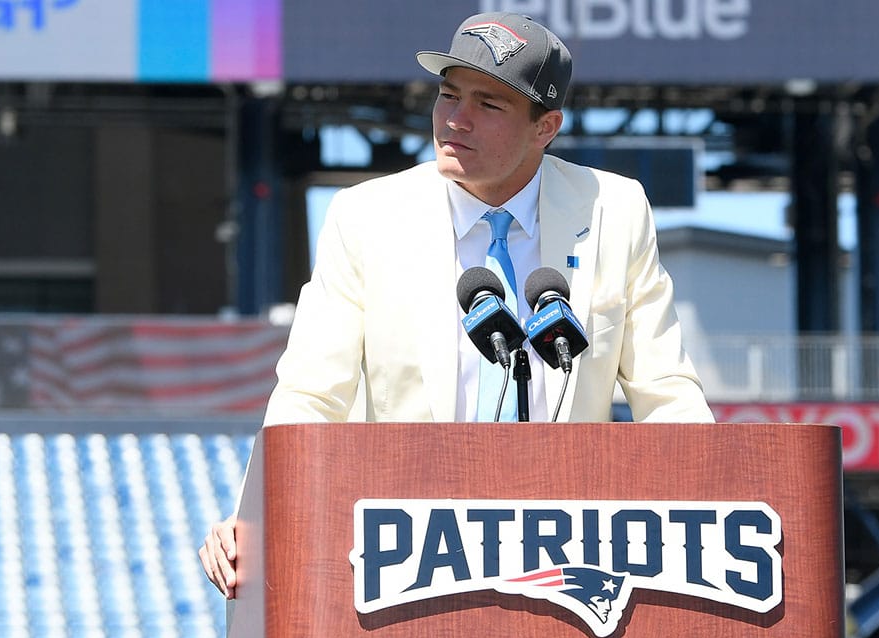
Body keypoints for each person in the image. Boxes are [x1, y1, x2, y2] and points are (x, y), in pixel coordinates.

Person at [200, 11, 714, 599]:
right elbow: (310, 395)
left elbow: (668, 391)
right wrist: (258, 519)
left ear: (545, 127)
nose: (455, 119)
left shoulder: (616, 210)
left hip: (567, 550)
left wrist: (711, 511)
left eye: (488, 105)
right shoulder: (364, 216)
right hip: (413, 555)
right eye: (447, 95)